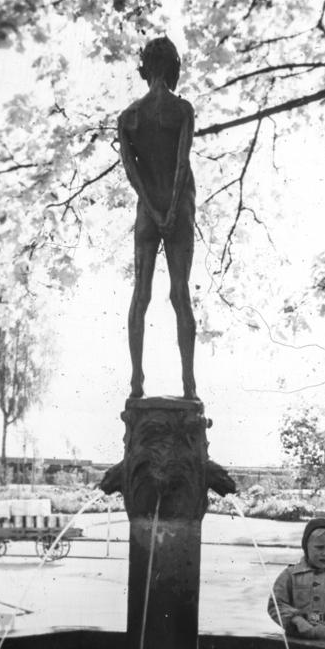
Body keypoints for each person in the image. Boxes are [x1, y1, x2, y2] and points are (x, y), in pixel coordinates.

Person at [117, 36, 198, 401]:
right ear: (174, 68)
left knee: (140, 295)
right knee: (180, 294)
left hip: (148, 211)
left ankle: (136, 383)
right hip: (178, 208)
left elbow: (132, 175)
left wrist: (151, 211)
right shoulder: (182, 110)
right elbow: (181, 163)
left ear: (145, 68)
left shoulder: (130, 117)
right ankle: (189, 386)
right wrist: (169, 211)